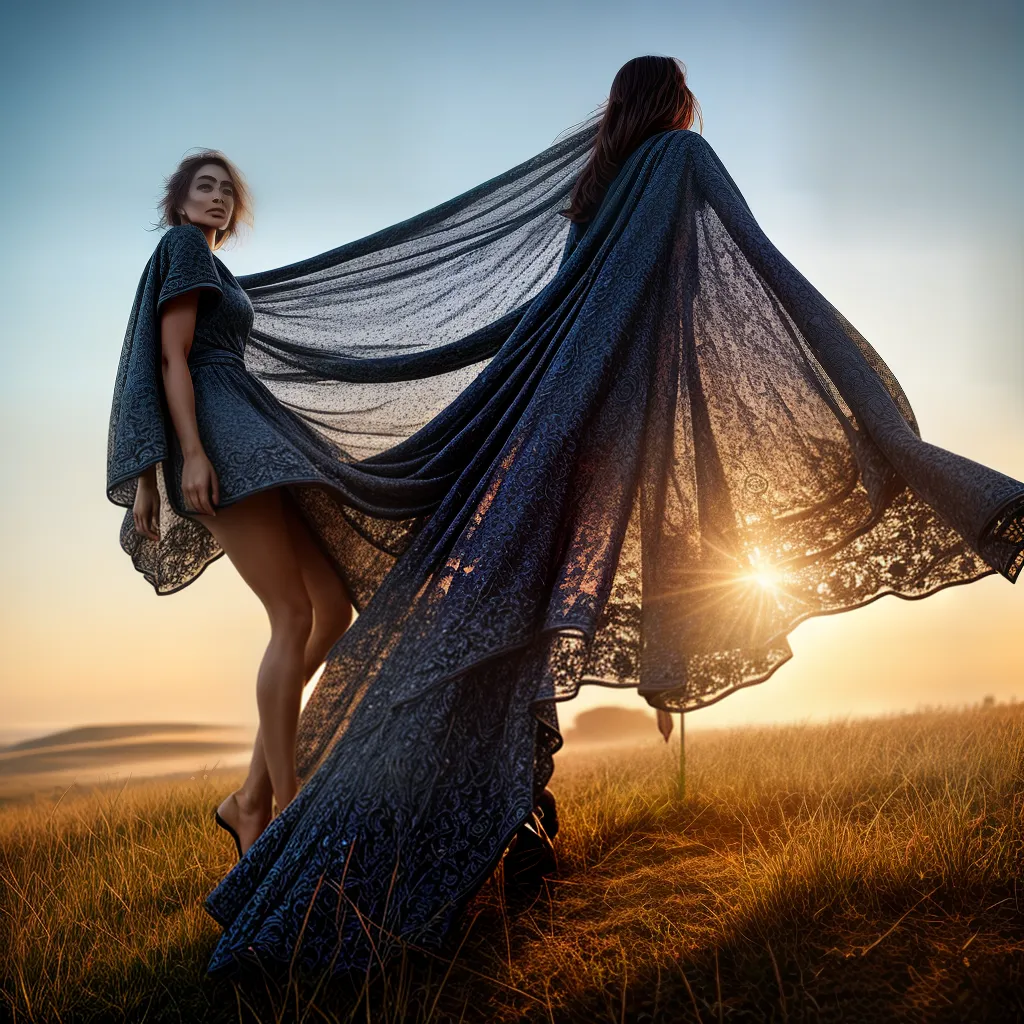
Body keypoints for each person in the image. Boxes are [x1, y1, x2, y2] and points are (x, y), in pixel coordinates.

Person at [108, 57, 1023, 976]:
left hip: (555, 422)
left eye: (227, 185)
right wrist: (867, 407)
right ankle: (328, 819)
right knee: (433, 620)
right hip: (590, 427)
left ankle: (341, 814)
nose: (220, 195)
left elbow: (566, 307)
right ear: (677, 106)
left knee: (476, 613)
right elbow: (748, 258)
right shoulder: (675, 162)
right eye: (206, 184)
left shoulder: (596, 193)